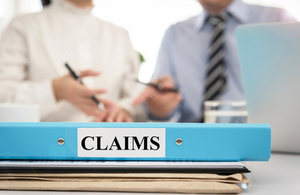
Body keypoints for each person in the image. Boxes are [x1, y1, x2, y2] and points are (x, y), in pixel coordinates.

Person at [134, 0, 296, 122]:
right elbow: (160, 104)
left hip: (262, 142)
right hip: (193, 144)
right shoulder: (175, 34)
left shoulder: (278, 20)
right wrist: (160, 107)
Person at [0, 0, 146, 122]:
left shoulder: (120, 35)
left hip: (108, 147)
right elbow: (3, 97)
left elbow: (136, 101)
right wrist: (54, 91)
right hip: (44, 148)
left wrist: (123, 110)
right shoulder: (23, 26)